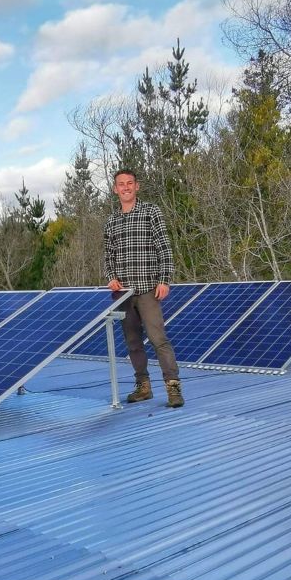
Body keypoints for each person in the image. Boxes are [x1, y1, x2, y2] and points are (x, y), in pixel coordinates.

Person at [104, 168, 184, 408]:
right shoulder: (111, 221)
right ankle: (143, 387)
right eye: (121, 184)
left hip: (149, 288)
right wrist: (111, 277)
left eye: (130, 183)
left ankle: (173, 388)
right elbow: (108, 256)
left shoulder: (151, 211)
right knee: (133, 344)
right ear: (115, 189)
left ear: (136, 186)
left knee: (158, 339)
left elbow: (165, 248)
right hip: (124, 294)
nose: (126, 187)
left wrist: (164, 279)